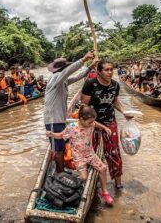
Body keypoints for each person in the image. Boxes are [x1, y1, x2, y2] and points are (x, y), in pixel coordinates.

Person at [46, 105, 114, 205]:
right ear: (81, 119)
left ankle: (104, 192)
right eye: (89, 122)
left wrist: (105, 128)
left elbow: (96, 124)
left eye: (92, 122)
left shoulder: (91, 124)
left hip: (90, 154)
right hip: (79, 157)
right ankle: (69, 187)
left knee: (103, 168)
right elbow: (61, 135)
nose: (91, 124)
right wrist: (52, 134)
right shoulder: (72, 127)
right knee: (83, 177)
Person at [81, 60, 130, 190]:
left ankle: (118, 183)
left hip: (110, 122)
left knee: (114, 152)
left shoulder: (115, 85)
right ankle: (88, 181)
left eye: (111, 69)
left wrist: (125, 112)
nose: (110, 72)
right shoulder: (90, 84)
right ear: (99, 72)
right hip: (92, 123)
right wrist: (89, 122)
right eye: (106, 70)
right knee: (89, 151)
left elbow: (115, 102)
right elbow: (84, 106)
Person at [44, 50, 96, 173]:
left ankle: (60, 170)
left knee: (60, 147)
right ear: (63, 69)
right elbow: (69, 71)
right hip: (53, 120)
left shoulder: (63, 81)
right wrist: (83, 59)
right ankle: (60, 173)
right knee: (58, 149)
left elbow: (77, 76)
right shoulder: (56, 78)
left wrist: (89, 67)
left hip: (59, 119)